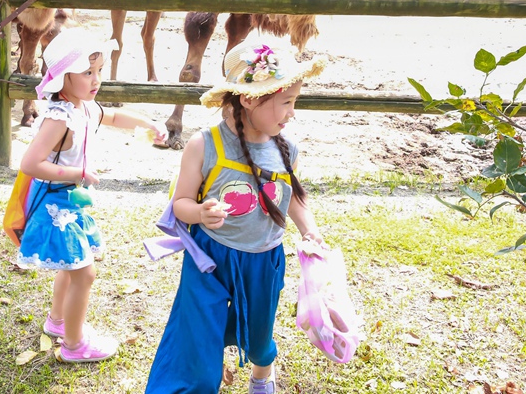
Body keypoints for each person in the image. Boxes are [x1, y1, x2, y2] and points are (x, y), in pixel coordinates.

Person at [145, 39, 328, 394]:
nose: (292, 113)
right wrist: (199, 212)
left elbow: (292, 198)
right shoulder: (204, 144)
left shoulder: (287, 148)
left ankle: (262, 376)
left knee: (259, 332)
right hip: (210, 258)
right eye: (286, 103)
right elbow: (180, 203)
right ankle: (198, 380)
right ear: (249, 98)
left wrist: (310, 229)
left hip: (264, 259)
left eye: (295, 102)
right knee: (198, 333)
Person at [18, 28, 166, 364]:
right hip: (57, 203)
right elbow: (30, 163)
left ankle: (57, 322)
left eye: (98, 70)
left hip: (71, 201)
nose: (96, 79)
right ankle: (73, 344)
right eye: (87, 72)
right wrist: (77, 174)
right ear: (62, 77)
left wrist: (148, 123)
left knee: (71, 268)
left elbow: (111, 115)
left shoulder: (84, 106)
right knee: (83, 273)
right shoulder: (59, 117)